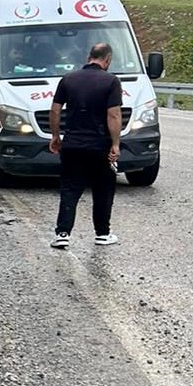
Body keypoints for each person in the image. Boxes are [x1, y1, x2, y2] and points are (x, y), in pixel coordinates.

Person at [47, 43, 122, 249]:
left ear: (89, 57)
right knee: (103, 189)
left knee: (70, 189)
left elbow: (55, 110)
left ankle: (62, 233)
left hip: (72, 144)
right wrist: (115, 143)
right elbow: (113, 114)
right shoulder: (111, 81)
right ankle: (102, 234)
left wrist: (56, 136)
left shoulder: (68, 79)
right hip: (100, 145)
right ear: (107, 60)